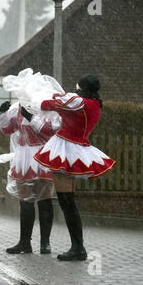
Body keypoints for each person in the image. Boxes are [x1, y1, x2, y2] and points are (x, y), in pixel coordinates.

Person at [33, 74, 116, 261]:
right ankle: (77, 247)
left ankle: (78, 248)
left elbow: (46, 105)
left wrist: (51, 96)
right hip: (77, 147)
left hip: (65, 147)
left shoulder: (78, 100)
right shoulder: (95, 104)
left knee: (66, 202)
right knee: (69, 201)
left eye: (77, 84)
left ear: (82, 86)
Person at [0, 100, 61, 254]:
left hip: (42, 156)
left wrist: (32, 118)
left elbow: (51, 130)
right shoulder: (18, 108)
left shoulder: (48, 108)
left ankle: (45, 243)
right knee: (25, 202)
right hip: (23, 157)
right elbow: (7, 130)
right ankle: (24, 242)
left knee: (45, 200)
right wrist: (3, 114)